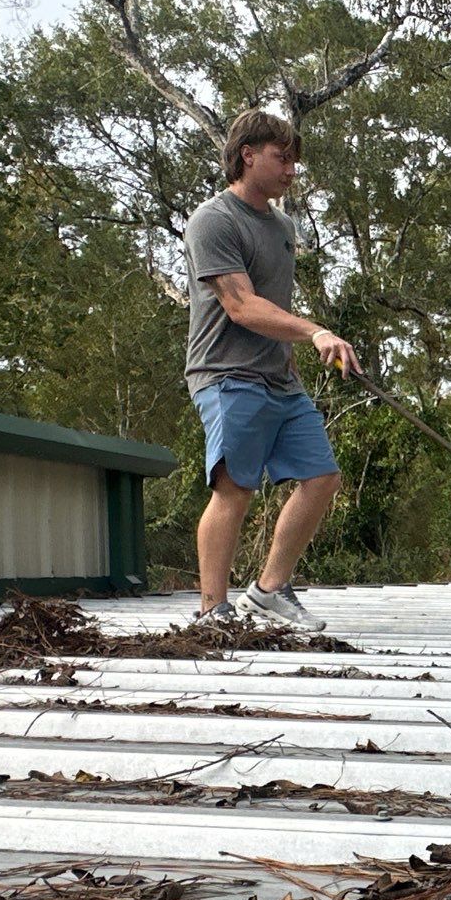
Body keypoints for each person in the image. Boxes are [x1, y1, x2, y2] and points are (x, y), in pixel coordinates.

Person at [182, 108, 361, 626]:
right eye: (282, 159)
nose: (291, 171)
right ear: (248, 155)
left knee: (322, 476)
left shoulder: (282, 226)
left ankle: (268, 591)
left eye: (294, 162)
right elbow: (241, 305)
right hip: (226, 375)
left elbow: (273, 305)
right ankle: (212, 612)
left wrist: (297, 348)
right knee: (234, 488)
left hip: (280, 379)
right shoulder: (213, 220)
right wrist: (315, 331)